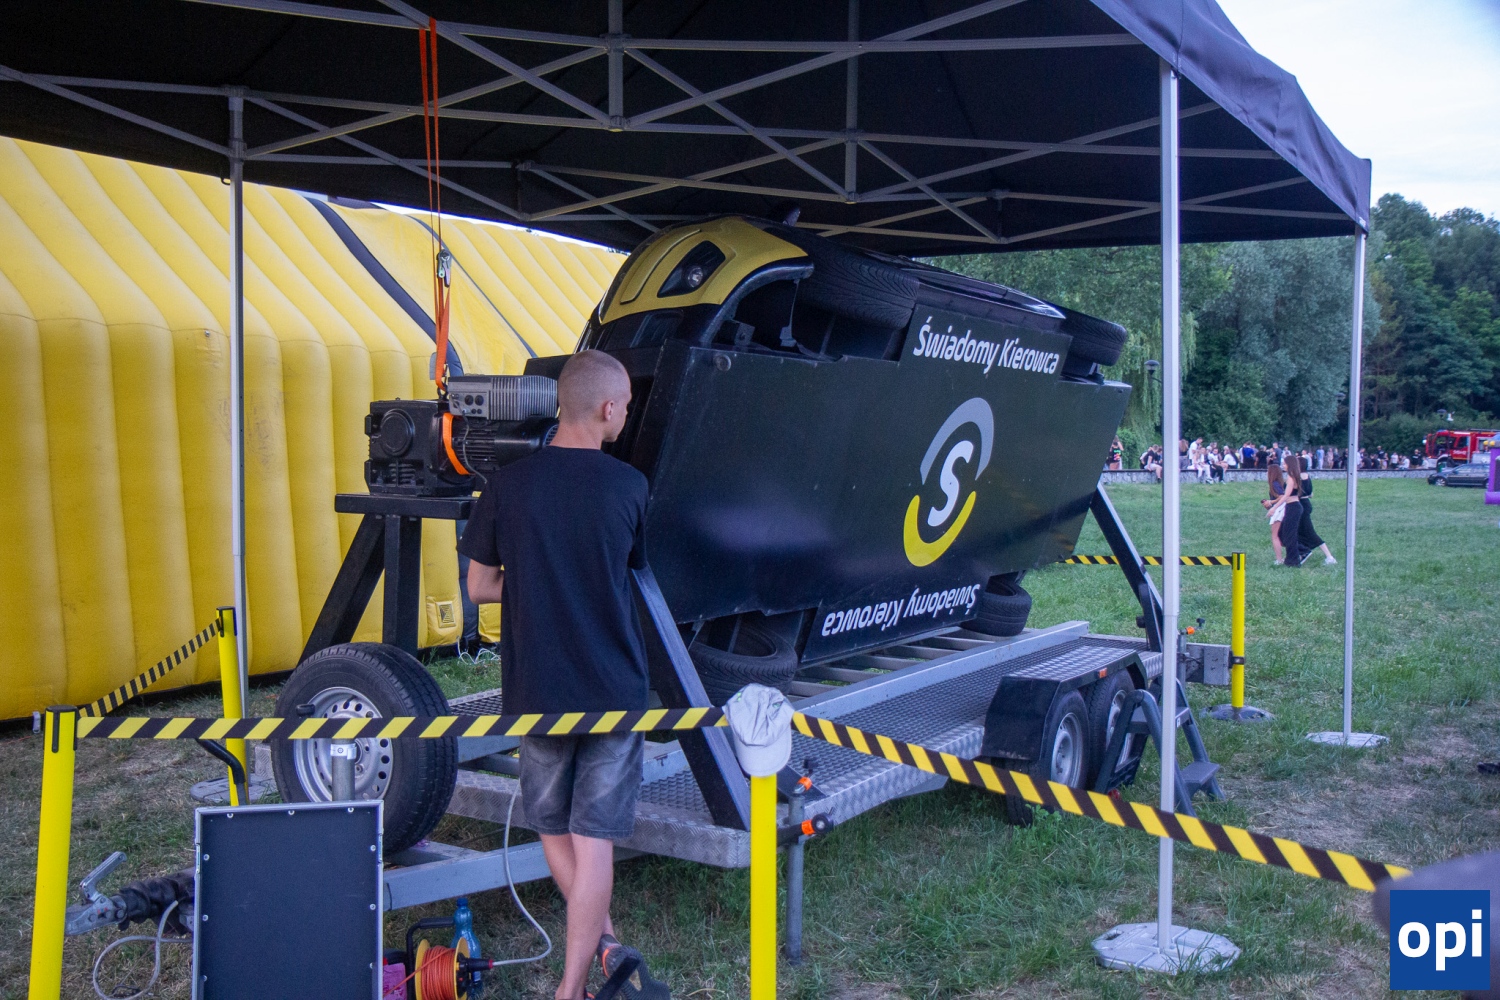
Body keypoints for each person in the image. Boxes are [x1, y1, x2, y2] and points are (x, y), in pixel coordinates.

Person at [461, 350, 661, 1000]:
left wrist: (532, 581)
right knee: (593, 837)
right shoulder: (629, 486)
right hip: (613, 691)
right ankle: (577, 979)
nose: (626, 414)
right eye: (625, 405)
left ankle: (589, 962)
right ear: (607, 409)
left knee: (552, 827)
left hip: (538, 691)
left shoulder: (506, 486)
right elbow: (628, 569)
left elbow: (480, 587)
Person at [1292, 456, 1337, 565]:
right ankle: (1300, 552)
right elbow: (1311, 494)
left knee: (1309, 532)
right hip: (1306, 503)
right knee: (1300, 531)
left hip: (1300, 505)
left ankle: (1329, 557)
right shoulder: (1307, 476)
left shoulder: (1297, 477)